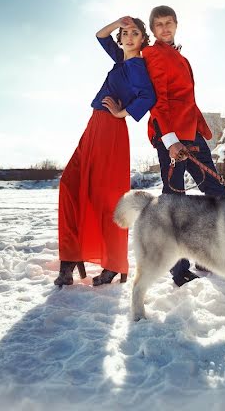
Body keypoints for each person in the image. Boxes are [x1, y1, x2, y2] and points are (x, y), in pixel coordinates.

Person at [55, 16, 156, 287]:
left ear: (143, 39)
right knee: (70, 185)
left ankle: (113, 264)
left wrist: (121, 112)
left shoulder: (136, 65)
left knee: (106, 198)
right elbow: (101, 36)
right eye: (125, 33)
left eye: (135, 33)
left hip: (111, 130)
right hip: (94, 126)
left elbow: (148, 96)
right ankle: (69, 259)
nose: (128, 36)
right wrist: (117, 22)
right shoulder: (121, 61)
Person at [142, 5, 225, 287]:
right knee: (175, 200)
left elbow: (187, 99)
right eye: (159, 25)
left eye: (169, 23)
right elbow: (159, 101)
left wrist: (201, 127)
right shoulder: (153, 55)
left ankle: (206, 256)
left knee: (215, 190)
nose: (165, 28)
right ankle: (179, 270)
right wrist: (170, 140)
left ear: (176, 25)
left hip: (191, 133)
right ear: (152, 30)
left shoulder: (181, 57)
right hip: (171, 137)